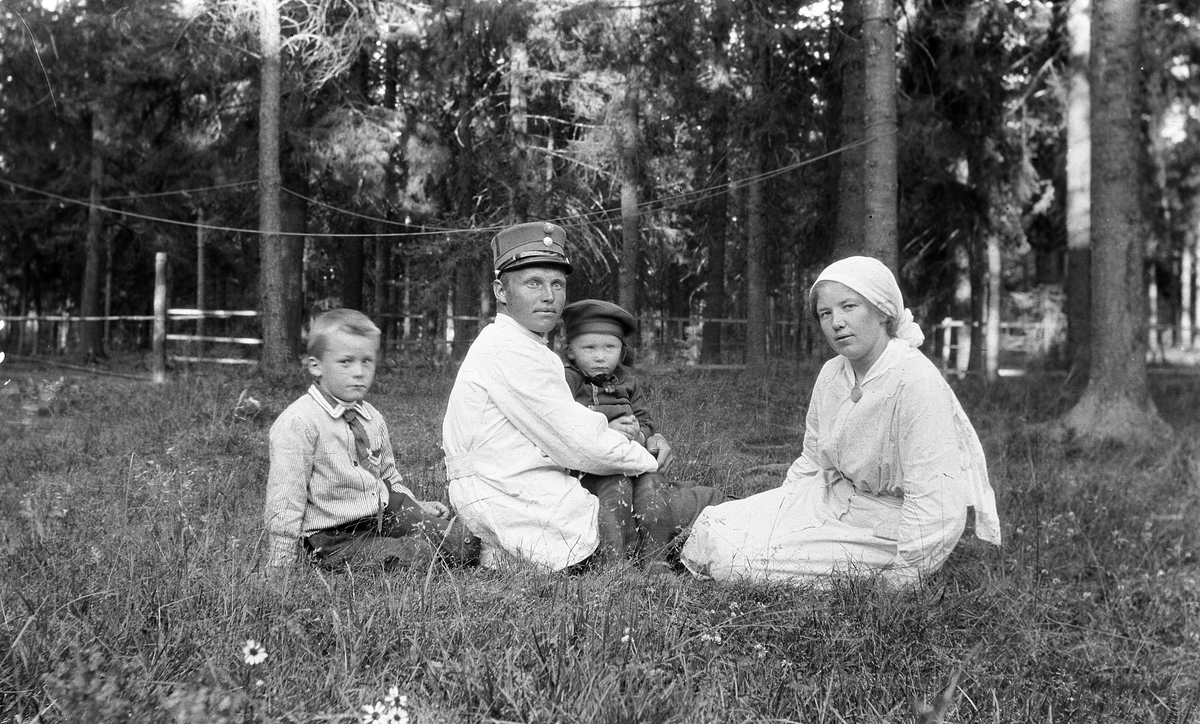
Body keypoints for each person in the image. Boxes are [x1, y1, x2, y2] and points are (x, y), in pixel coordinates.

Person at [680, 256, 1002, 586]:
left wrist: (906, 576)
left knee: (736, 563)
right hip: (833, 497)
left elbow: (936, 501)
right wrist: (783, 509)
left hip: (887, 525)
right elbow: (812, 457)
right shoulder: (833, 372)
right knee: (714, 526)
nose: (837, 322)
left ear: (882, 310)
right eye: (825, 313)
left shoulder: (915, 381)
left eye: (849, 306)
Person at [442, 221, 710, 572]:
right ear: (501, 291)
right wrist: (647, 456)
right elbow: (579, 442)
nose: (549, 296)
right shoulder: (509, 350)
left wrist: (641, 438)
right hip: (519, 499)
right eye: (533, 283)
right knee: (699, 504)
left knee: (665, 497)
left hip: (522, 489)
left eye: (558, 284)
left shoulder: (520, 345)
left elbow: (572, 431)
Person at [263, 309, 479, 582]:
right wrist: (280, 563)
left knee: (464, 542)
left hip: (381, 515)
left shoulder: (372, 418)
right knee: (417, 555)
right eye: (346, 362)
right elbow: (285, 499)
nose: (359, 372)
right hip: (334, 535)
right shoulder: (298, 423)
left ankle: (412, 545)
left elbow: (388, 476)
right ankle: (384, 555)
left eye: (367, 361)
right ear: (315, 365)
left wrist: (416, 505)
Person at [561, 299, 725, 569]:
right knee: (616, 489)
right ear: (571, 352)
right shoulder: (568, 381)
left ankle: (655, 559)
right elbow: (563, 422)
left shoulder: (628, 382)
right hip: (593, 468)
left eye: (610, 347)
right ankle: (616, 562)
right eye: (588, 348)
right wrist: (603, 429)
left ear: (622, 352)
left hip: (632, 460)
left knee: (653, 485)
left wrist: (642, 435)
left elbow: (645, 420)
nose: (600, 356)